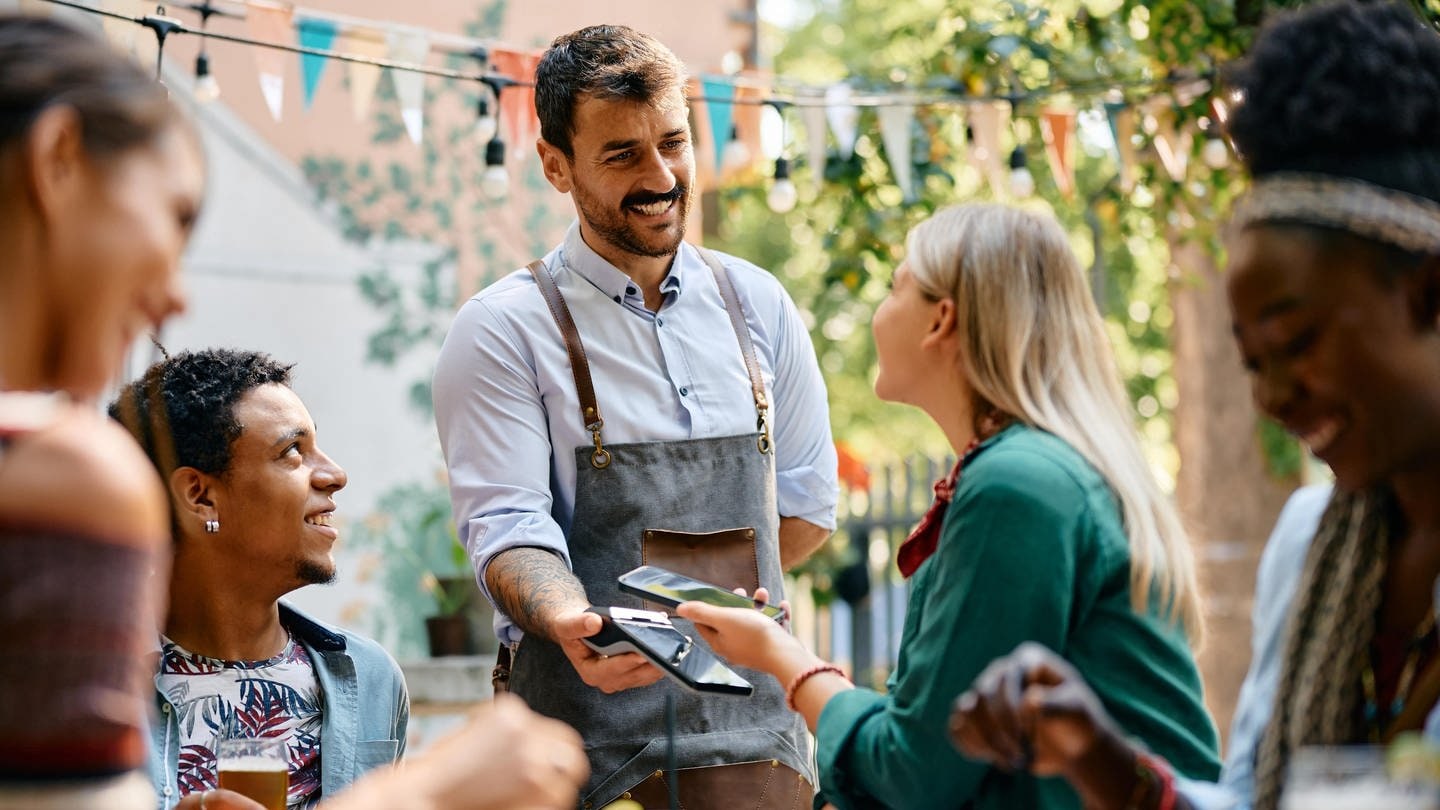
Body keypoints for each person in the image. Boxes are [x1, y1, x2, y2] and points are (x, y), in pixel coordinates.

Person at [0, 14, 586, 810]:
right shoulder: (56, 481)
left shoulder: (365, 680)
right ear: (58, 159)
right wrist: (437, 793)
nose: (176, 292)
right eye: (173, 218)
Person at [946, 3, 1440, 810]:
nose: (1273, 397)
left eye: (1300, 341)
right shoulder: (1310, 548)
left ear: (1429, 294)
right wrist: (1098, 753)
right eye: (1252, 361)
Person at [679, 202, 1221, 810]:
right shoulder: (1027, 471)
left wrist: (782, 658)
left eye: (894, 288)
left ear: (941, 320)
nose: (878, 312)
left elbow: (916, 773)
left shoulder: (1016, 486)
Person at [431, 23, 839, 809]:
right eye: (622, 154)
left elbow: (806, 509)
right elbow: (508, 529)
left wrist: (708, 621)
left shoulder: (760, 304)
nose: (660, 175)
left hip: (759, 747)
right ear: (556, 165)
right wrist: (572, 619)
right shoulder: (503, 330)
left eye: (674, 143)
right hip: (581, 757)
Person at [107, 349, 404, 808]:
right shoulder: (93, 688)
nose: (334, 475)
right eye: (292, 451)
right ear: (200, 496)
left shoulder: (371, 677)